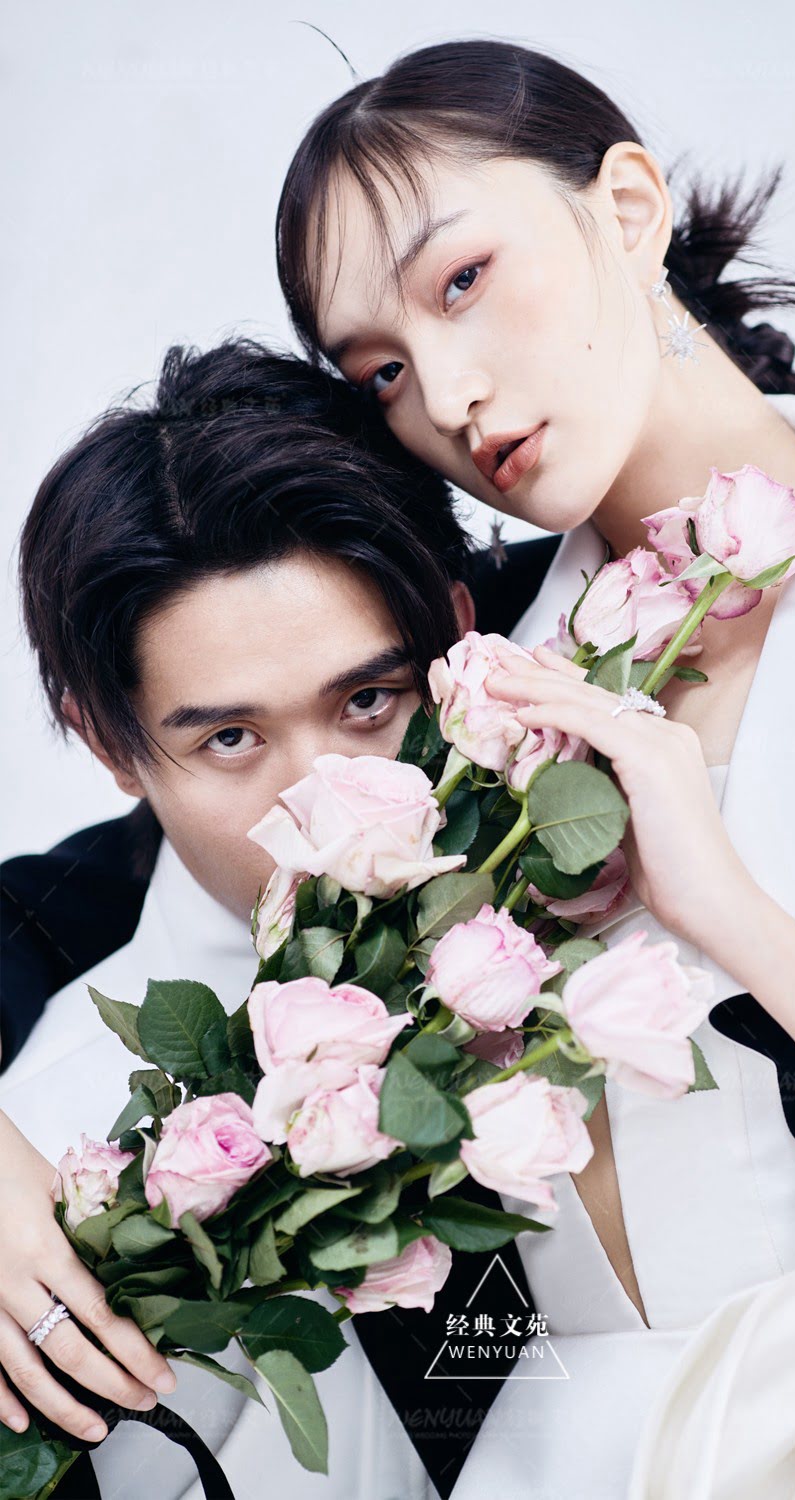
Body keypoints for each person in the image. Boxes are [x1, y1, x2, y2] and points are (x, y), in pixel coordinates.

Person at [266, 38, 795, 1498]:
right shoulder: (449, 675)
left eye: (462, 279)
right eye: (383, 372)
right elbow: (135, 877)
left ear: (627, 207)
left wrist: (730, 913)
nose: (447, 396)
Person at [0, 338, 554, 1500]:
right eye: (230, 739)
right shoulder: (52, 1144)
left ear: (461, 638)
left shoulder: (599, 938)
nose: (323, 804)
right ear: (108, 743)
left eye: (369, 701)